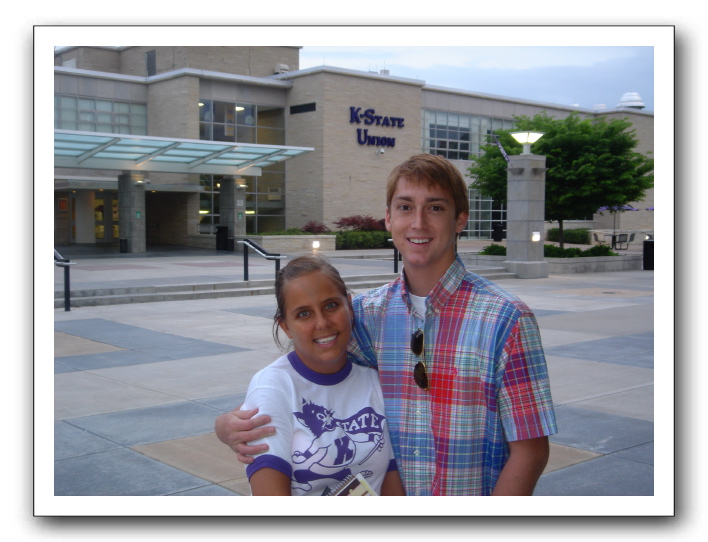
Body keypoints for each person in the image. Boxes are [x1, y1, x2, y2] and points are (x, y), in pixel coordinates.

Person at [216, 154, 557, 496]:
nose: (418, 223)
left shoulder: (506, 320)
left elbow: (530, 451)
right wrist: (227, 425)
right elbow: (301, 379)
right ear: (389, 219)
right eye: (405, 207)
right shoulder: (366, 315)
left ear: (460, 219)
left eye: (435, 208)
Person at [238, 254, 405, 496]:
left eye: (330, 306)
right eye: (304, 314)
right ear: (286, 326)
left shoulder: (374, 382)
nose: (322, 323)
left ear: (349, 307)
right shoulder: (273, 387)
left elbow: (391, 484)